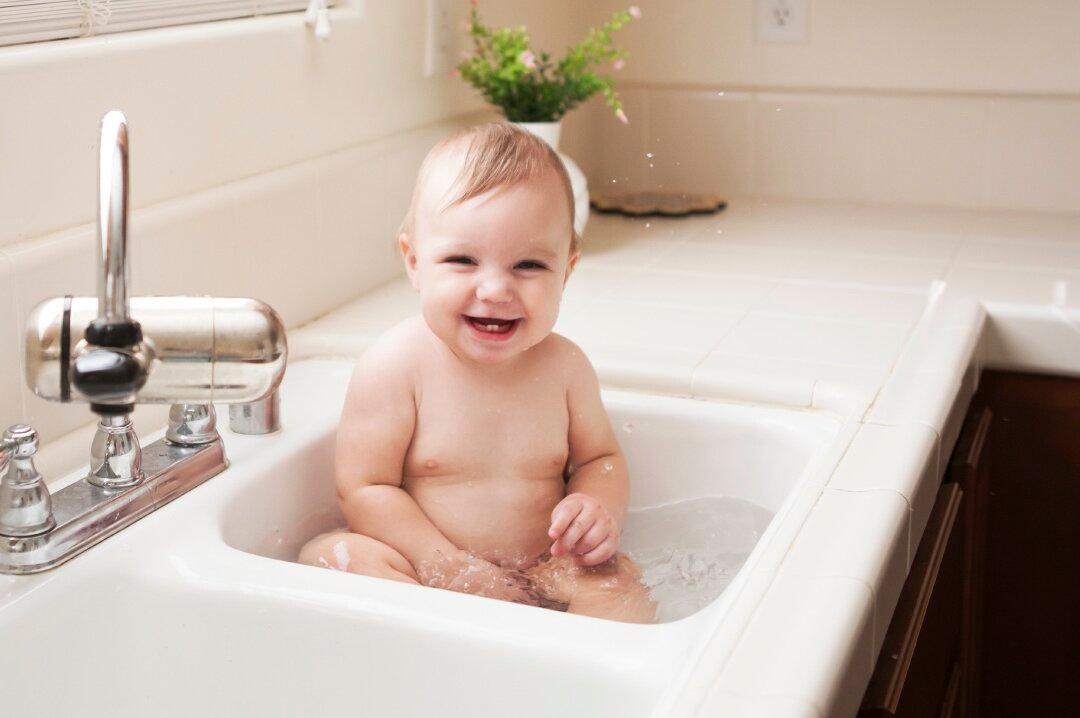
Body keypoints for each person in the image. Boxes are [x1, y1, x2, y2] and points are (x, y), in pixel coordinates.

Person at [299, 122, 656, 623]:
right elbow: (364, 489)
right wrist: (446, 566)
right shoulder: (395, 367)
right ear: (414, 261)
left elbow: (601, 458)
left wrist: (598, 512)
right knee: (333, 556)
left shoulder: (565, 368)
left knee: (614, 581)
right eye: (463, 260)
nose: (494, 289)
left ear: (567, 271)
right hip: (425, 568)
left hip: (543, 569)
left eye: (528, 265)